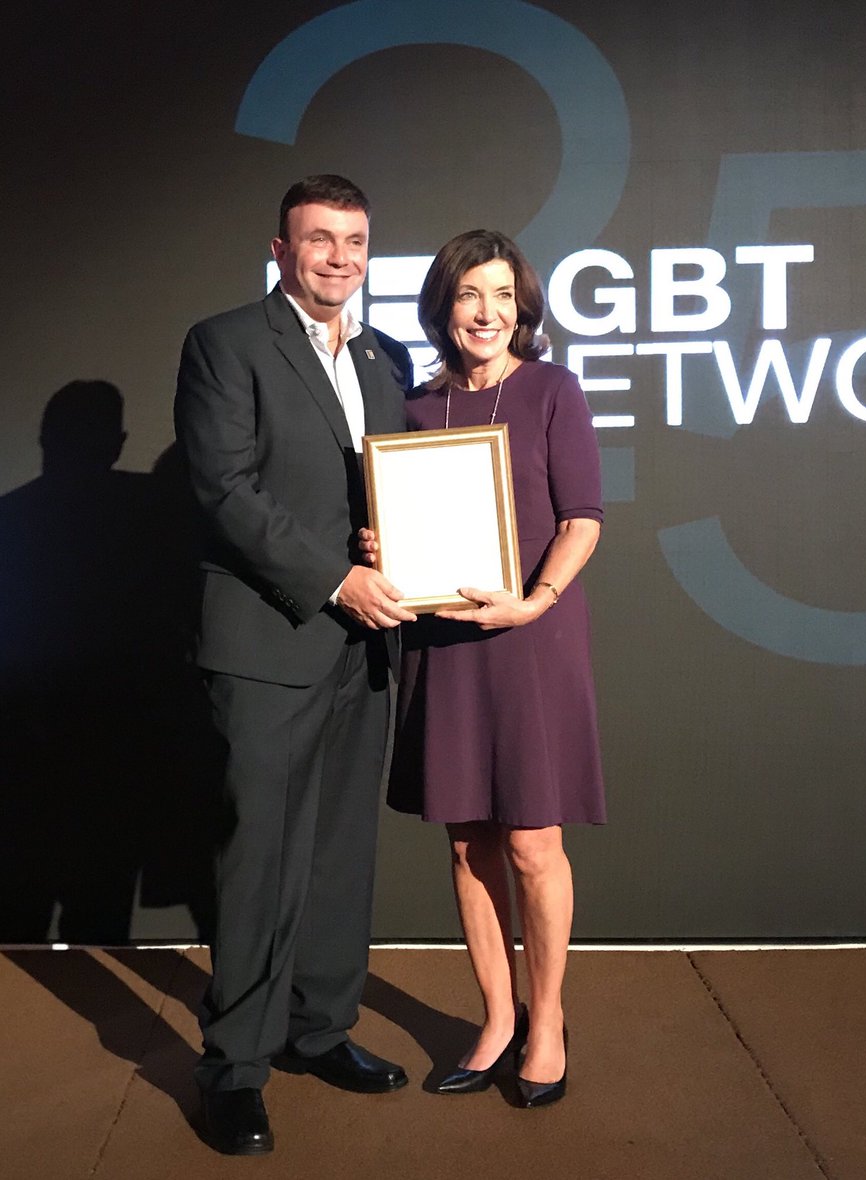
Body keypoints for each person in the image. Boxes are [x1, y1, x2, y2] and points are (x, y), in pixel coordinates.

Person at [174, 174, 417, 1155]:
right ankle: (234, 1069)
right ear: (280, 249)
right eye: (319, 239)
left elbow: (394, 491)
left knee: (338, 852)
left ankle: (320, 1032)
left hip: (365, 646)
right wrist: (335, 581)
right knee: (261, 859)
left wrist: (399, 553)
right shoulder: (225, 343)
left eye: (354, 240)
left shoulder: (386, 355)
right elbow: (226, 491)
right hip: (270, 642)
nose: (338, 257)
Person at [362, 229, 604, 1108]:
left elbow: (582, 519)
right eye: (469, 294)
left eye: (503, 295)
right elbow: (401, 527)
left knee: (534, 844)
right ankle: (498, 1019)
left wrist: (534, 601)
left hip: (530, 640)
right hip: (445, 647)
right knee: (468, 843)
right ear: (443, 307)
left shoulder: (552, 390)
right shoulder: (417, 409)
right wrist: (382, 545)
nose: (487, 312)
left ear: (523, 308)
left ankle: (548, 1023)